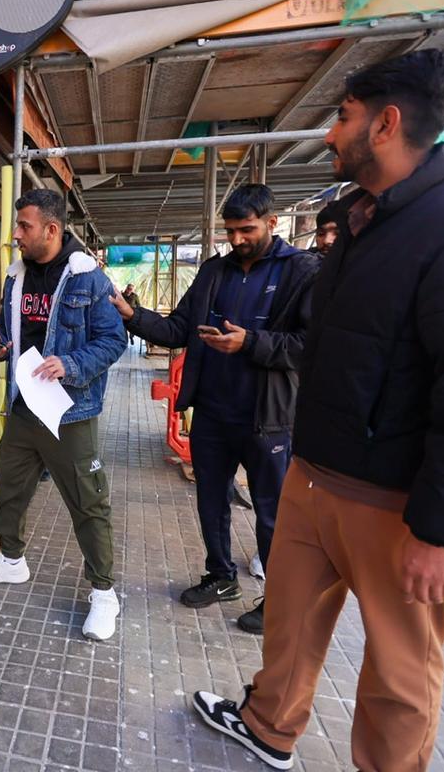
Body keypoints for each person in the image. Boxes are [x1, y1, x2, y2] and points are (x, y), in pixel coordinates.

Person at [191, 49, 444, 771]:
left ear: (386, 123)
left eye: (344, 116)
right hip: (314, 474)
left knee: (398, 671)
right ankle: (268, 728)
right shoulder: (361, 227)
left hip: (395, 503)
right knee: (289, 628)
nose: (332, 134)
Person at [110, 184, 318, 635]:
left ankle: (280, 600)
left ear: (272, 222)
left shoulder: (302, 270)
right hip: (212, 412)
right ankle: (221, 576)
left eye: (248, 230)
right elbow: (179, 328)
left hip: (268, 418)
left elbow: (313, 346)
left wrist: (251, 343)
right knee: (211, 500)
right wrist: (133, 316)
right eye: (231, 231)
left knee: (272, 513)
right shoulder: (214, 271)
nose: (238, 240)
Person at [0, 188, 128, 641]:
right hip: (23, 406)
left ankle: (103, 593)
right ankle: (11, 560)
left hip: (69, 412)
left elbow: (114, 340)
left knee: (88, 502)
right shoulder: (16, 277)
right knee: (9, 487)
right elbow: (12, 335)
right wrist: (0, 349)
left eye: (24, 227)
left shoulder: (87, 278)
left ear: (52, 230)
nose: (16, 235)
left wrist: (70, 364)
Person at [122, 284, 142, 350]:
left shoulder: (135, 296)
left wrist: (138, 311)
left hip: (132, 315)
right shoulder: (122, 295)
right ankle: (125, 341)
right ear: (126, 288)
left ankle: (131, 337)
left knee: (132, 327)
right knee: (123, 329)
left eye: (131, 289)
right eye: (128, 288)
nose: (129, 290)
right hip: (123, 315)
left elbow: (139, 305)